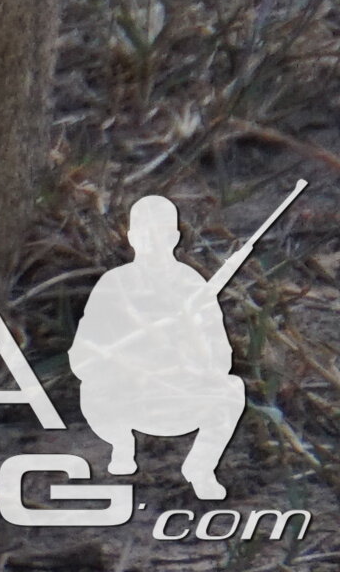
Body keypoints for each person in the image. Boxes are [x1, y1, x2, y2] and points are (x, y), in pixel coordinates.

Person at [72, 193, 250, 500]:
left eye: (161, 234)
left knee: (231, 391)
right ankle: (122, 446)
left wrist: (190, 353)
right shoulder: (114, 285)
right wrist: (125, 363)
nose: (152, 242)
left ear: (175, 237)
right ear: (131, 237)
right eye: (144, 234)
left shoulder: (193, 285)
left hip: (179, 394)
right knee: (90, 391)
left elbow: (220, 354)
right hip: (127, 396)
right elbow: (82, 356)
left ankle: (201, 467)